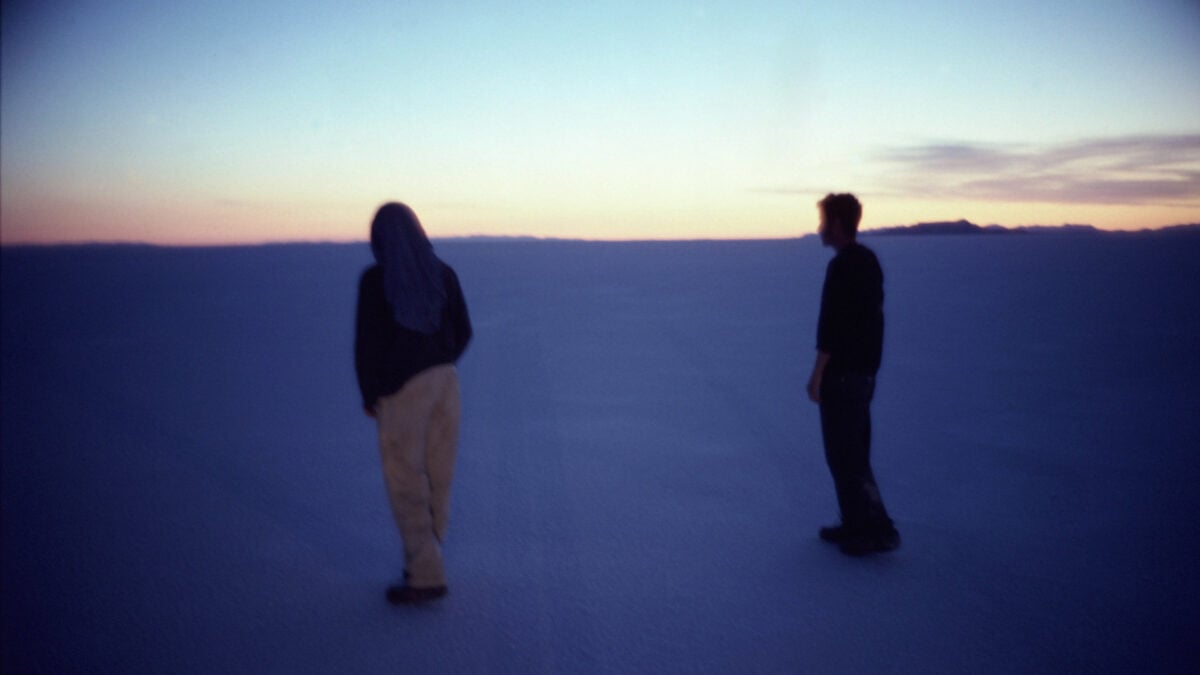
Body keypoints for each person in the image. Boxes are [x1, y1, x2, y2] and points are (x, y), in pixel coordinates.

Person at [355, 202, 473, 604]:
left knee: (406, 482)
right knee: (439, 474)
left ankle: (425, 574)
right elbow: (464, 331)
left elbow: (367, 345)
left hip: (402, 394)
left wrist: (373, 394)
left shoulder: (377, 281)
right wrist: (439, 362)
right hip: (447, 384)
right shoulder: (443, 274)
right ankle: (428, 552)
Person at [806, 193, 900, 556]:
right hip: (862, 375)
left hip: (844, 376)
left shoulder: (843, 267)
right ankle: (855, 524)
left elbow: (832, 328)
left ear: (838, 225)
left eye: (824, 221)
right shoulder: (868, 261)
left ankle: (879, 531)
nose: (819, 229)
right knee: (849, 452)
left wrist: (817, 376)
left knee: (847, 455)